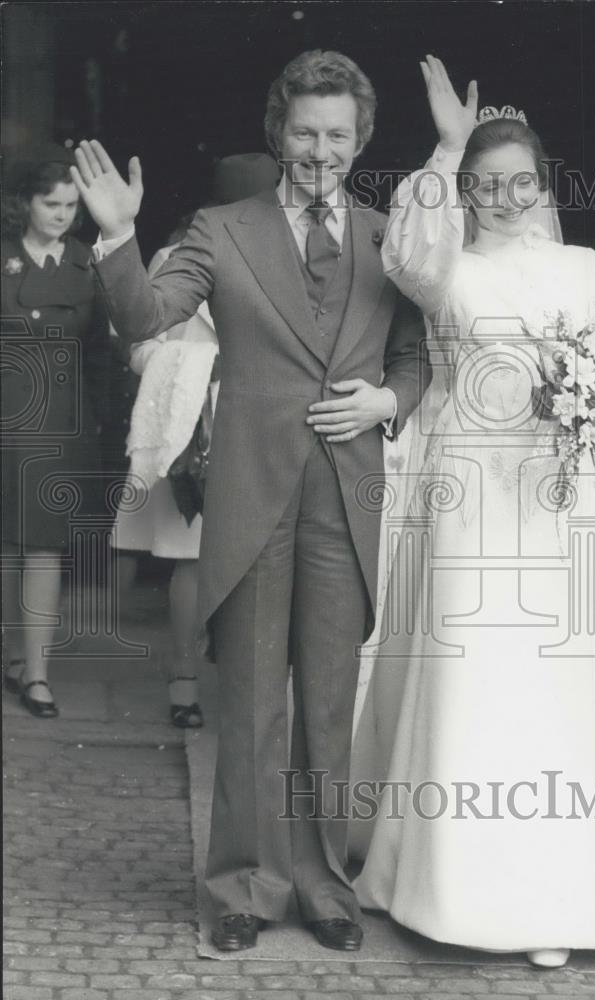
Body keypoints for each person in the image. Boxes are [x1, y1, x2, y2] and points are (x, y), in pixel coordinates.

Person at [70, 50, 429, 953]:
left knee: (329, 701)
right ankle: (243, 883)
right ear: (279, 134)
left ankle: (324, 886)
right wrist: (117, 239)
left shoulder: (393, 238)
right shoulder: (220, 229)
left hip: (347, 494)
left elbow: (415, 358)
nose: (319, 149)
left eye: (336, 134)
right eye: (304, 131)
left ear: (360, 139)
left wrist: (389, 401)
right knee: (253, 701)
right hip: (250, 495)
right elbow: (147, 319)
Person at [351, 56, 595, 968]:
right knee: (471, 678)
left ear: (544, 185)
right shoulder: (446, 270)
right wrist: (445, 149)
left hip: (553, 499)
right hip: (466, 495)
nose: (503, 198)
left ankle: (551, 897)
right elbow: (404, 252)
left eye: (519, 182)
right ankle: (443, 884)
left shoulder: (583, 269)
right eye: (484, 185)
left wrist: (579, 398)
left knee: (547, 692)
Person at [112, 153, 280, 729]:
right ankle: (183, 683)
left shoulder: (294, 258)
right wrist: (199, 367)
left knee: (262, 561)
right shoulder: (176, 258)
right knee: (191, 559)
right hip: (193, 429)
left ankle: (245, 686)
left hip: (268, 428)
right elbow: (137, 345)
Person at [2, 144, 110, 719]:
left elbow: (100, 355)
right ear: (25, 203)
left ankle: (36, 675)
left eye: (72, 205)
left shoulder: (87, 264)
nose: (63, 214)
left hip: (56, 425)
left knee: (42, 547)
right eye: (52, 203)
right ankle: (11, 655)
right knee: (5, 550)